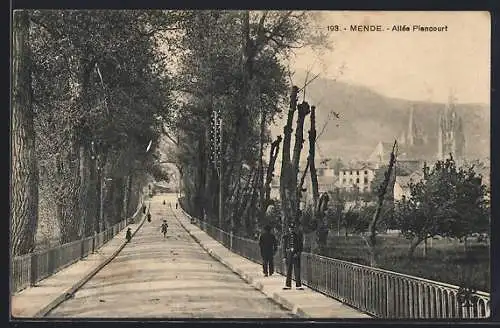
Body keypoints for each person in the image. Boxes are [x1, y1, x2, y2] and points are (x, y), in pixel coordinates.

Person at [282, 221, 304, 290]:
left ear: (294, 228)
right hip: (289, 254)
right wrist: (284, 256)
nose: (291, 229)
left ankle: (298, 285)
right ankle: (288, 285)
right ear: (288, 228)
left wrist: (297, 253)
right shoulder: (286, 236)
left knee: (297, 270)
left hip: (295, 254)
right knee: (288, 270)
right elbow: (284, 247)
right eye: (290, 228)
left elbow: (300, 246)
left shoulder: (297, 236)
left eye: (292, 228)